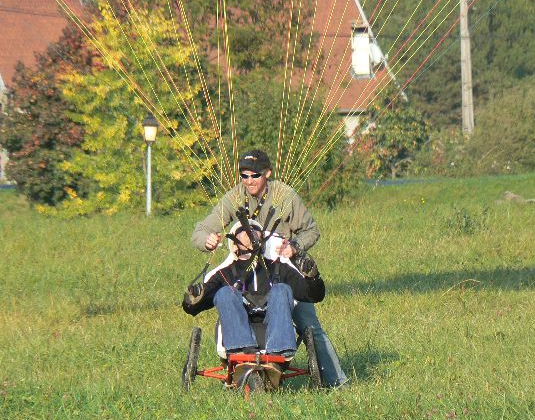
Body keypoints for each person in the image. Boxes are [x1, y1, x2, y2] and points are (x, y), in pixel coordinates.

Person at [191, 149, 348, 388]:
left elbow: (311, 231)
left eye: (255, 175)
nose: (249, 181)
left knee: (309, 324)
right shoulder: (234, 198)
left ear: (268, 173)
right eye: (244, 175)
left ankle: (337, 383)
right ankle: (240, 365)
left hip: (281, 268)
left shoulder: (285, 196)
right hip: (246, 271)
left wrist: (294, 247)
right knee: (230, 305)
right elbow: (201, 230)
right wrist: (207, 240)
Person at [183, 220, 325, 361]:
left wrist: (312, 278)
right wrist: (193, 299)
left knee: (281, 289)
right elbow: (195, 307)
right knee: (225, 293)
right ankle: (241, 350)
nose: (250, 230)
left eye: (254, 229)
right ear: (234, 243)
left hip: (274, 329)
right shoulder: (224, 274)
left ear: (263, 239)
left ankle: (278, 353)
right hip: (238, 335)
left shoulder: (279, 268)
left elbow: (313, 295)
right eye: (243, 230)